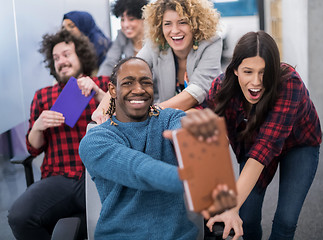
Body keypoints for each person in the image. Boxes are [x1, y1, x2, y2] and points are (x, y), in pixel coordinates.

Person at [78, 56, 242, 240]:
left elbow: (188, 131)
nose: (138, 89)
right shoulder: (95, 141)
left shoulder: (169, 118)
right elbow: (139, 169)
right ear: (112, 90)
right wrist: (196, 179)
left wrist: (201, 142)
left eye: (145, 82)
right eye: (128, 82)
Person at [203, 31, 322, 240]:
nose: (256, 81)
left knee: (286, 220)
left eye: (264, 72)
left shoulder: (289, 83)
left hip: (298, 145)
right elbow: (211, 137)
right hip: (254, 143)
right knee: (247, 218)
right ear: (236, 70)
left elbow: (265, 148)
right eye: (248, 71)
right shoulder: (221, 87)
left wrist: (231, 206)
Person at [7, 29, 109, 240]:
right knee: (19, 217)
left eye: (66, 54)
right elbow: (32, 148)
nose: (61, 61)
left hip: (98, 174)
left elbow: (124, 119)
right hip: (59, 176)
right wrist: (38, 126)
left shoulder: (103, 85)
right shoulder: (43, 95)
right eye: (56, 58)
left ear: (80, 55)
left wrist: (98, 92)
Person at [91, 0, 223, 124]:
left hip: (206, 115)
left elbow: (197, 91)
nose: (175, 30)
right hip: (167, 117)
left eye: (182, 22)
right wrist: (103, 109)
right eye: (167, 23)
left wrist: (152, 111)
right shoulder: (156, 43)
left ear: (195, 24)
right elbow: (128, 71)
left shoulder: (212, 42)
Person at [97, 0, 148, 77]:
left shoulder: (153, 38)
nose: (125, 25)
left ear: (144, 18)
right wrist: (98, 82)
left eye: (131, 19)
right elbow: (110, 62)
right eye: (122, 20)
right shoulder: (122, 36)